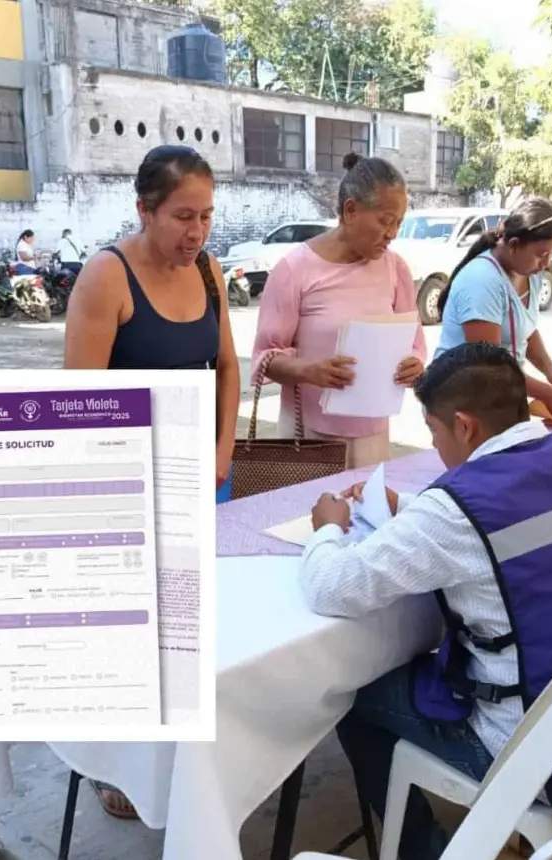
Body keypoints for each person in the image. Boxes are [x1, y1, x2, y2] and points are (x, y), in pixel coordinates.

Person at [300, 342, 552, 860]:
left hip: (535, 745)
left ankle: (422, 849)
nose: (436, 447)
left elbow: (332, 586)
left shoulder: (457, 506)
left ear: (464, 426)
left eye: (434, 432)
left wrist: (327, 530)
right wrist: (413, 510)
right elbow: (502, 528)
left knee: (355, 693)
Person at [62, 144, 241, 817]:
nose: (196, 232)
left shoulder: (212, 272)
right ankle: (116, 766)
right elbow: (76, 403)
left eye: (206, 216)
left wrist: (223, 450)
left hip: (203, 474)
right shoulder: (106, 279)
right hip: (127, 484)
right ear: (143, 210)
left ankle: (184, 755)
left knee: (187, 628)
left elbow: (226, 365)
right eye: (182, 217)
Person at [251, 152, 426, 468]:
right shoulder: (295, 270)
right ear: (351, 211)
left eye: (399, 222)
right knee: (307, 515)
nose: (392, 233)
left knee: (367, 514)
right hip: (307, 438)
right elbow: (265, 356)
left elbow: (413, 342)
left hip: (373, 436)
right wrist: (309, 371)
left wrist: (415, 364)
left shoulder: (396, 269)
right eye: (385, 221)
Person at [435, 196, 552, 419]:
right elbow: (489, 365)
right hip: (461, 401)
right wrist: (548, 394)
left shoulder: (530, 273)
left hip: (500, 394)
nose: (547, 263)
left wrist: (550, 372)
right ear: (513, 245)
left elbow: (526, 329)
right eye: (542, 254)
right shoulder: (482, 280)